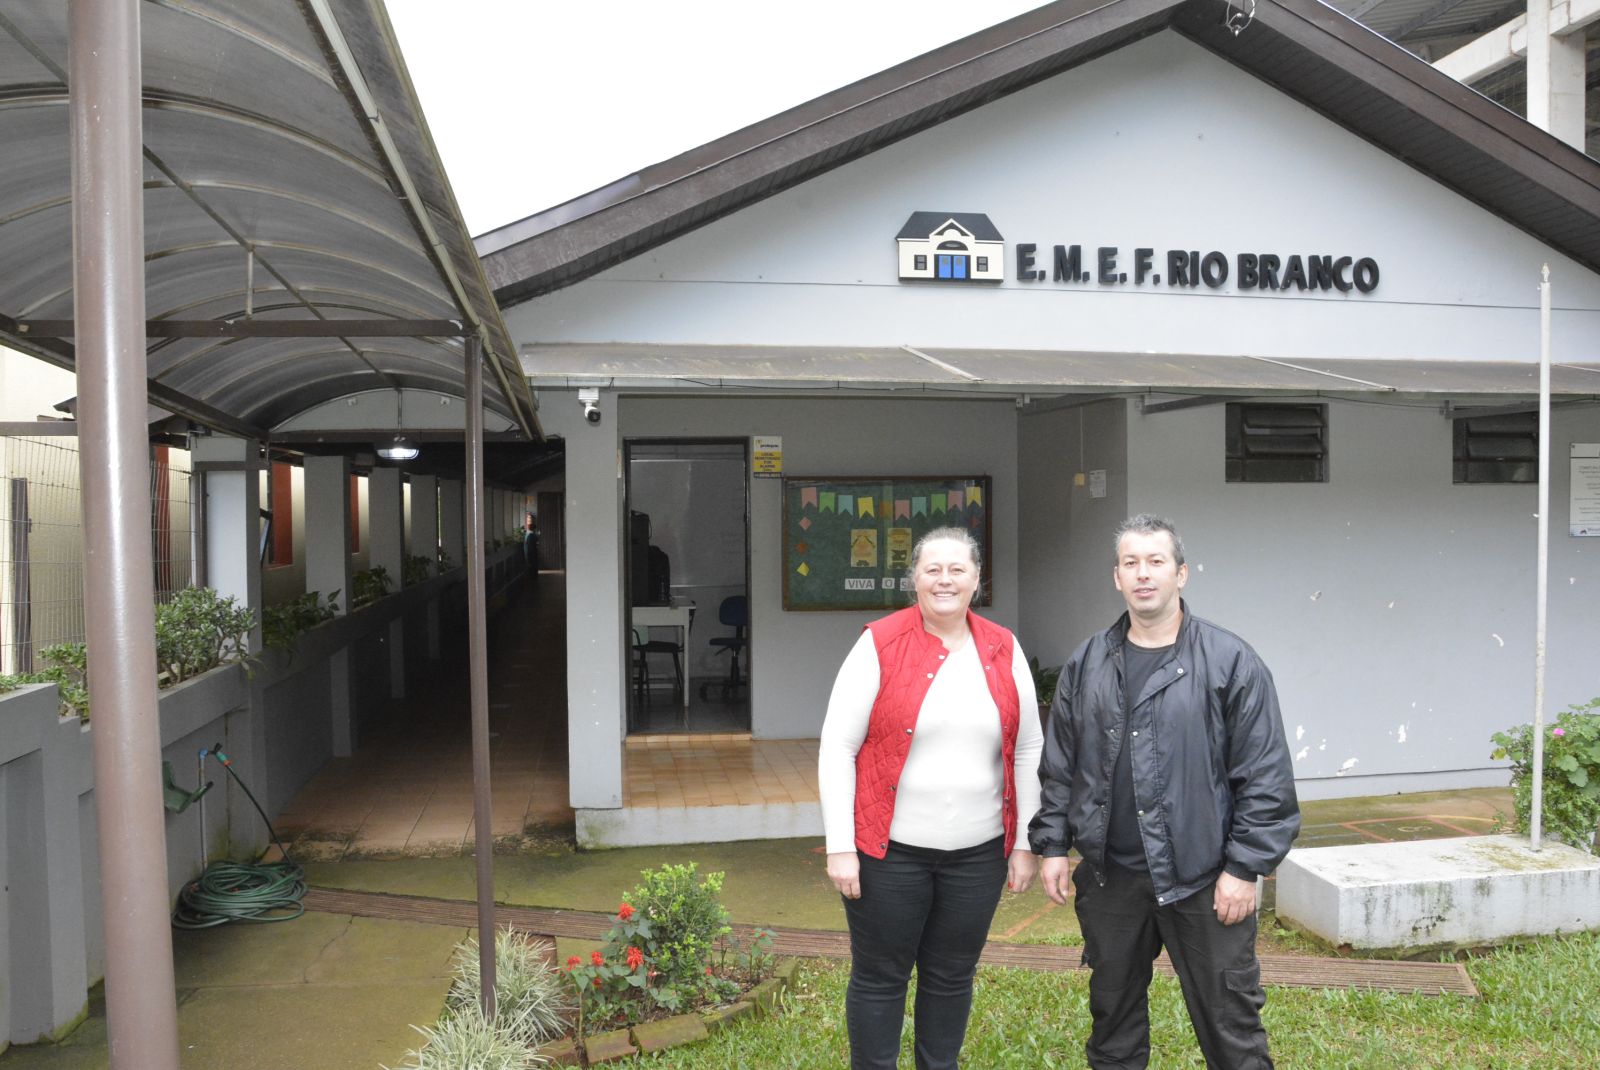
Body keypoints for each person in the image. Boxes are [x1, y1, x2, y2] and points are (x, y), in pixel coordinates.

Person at [1030, 514, 1299, 1070]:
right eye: (1131, 563)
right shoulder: (1087, 662)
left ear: (1182, 573)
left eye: (1156, 561)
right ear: (1117, 577)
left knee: (1231, 1026)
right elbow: (1060, 764)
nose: (1143, 574)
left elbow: (1265, 776)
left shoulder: (1230, 661)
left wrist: (1244, 867)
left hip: (1204, 880)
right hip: (1112, 879)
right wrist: (1053, 844)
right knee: (1113, 1022)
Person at [819, 526, 1043, 1070]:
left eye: (957, 569)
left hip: (979, 854)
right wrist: (840, 846)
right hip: (889, 853)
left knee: (951, 975)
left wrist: (1025, 841)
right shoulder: (878, 643)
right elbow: (837, 747)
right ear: (914, 578)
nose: (945, 580)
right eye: (932, 569)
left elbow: (1029, 747)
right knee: (880, 976)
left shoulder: (1003, 646)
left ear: (976, 579)